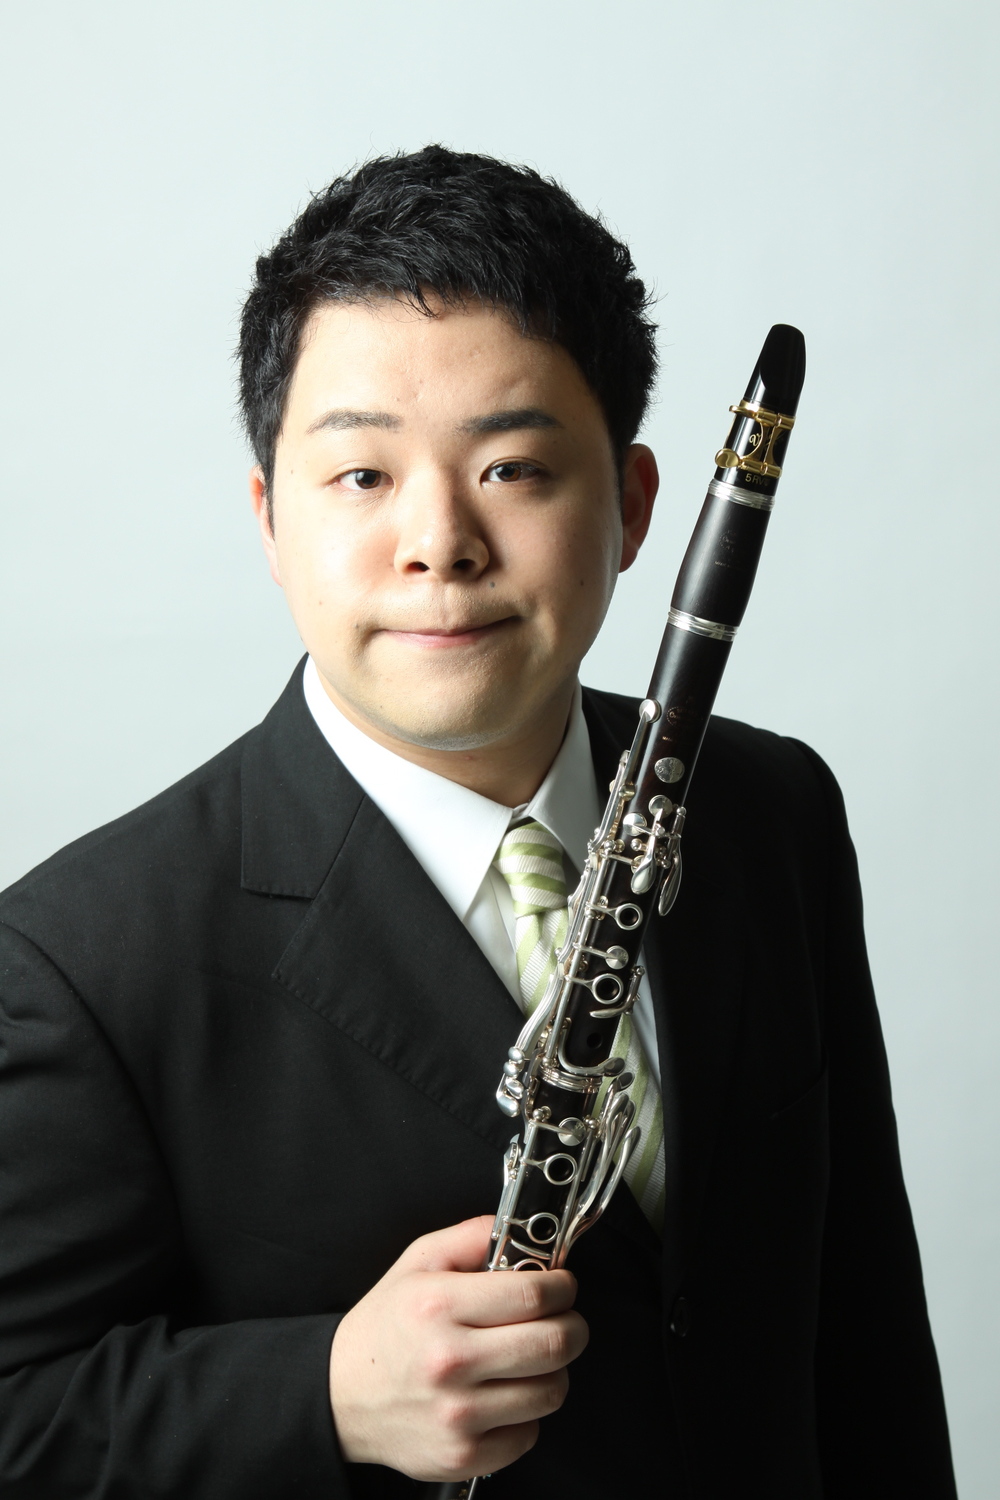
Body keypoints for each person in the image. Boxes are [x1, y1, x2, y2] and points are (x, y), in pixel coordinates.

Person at [0, 147, 956, 1500]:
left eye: (512, 467)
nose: (439, 541)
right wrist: (322, 1393)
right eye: (362, 476)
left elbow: (864, 1335)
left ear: (634, 506)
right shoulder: (78, 963)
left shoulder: (772, 812)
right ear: (270, 520)